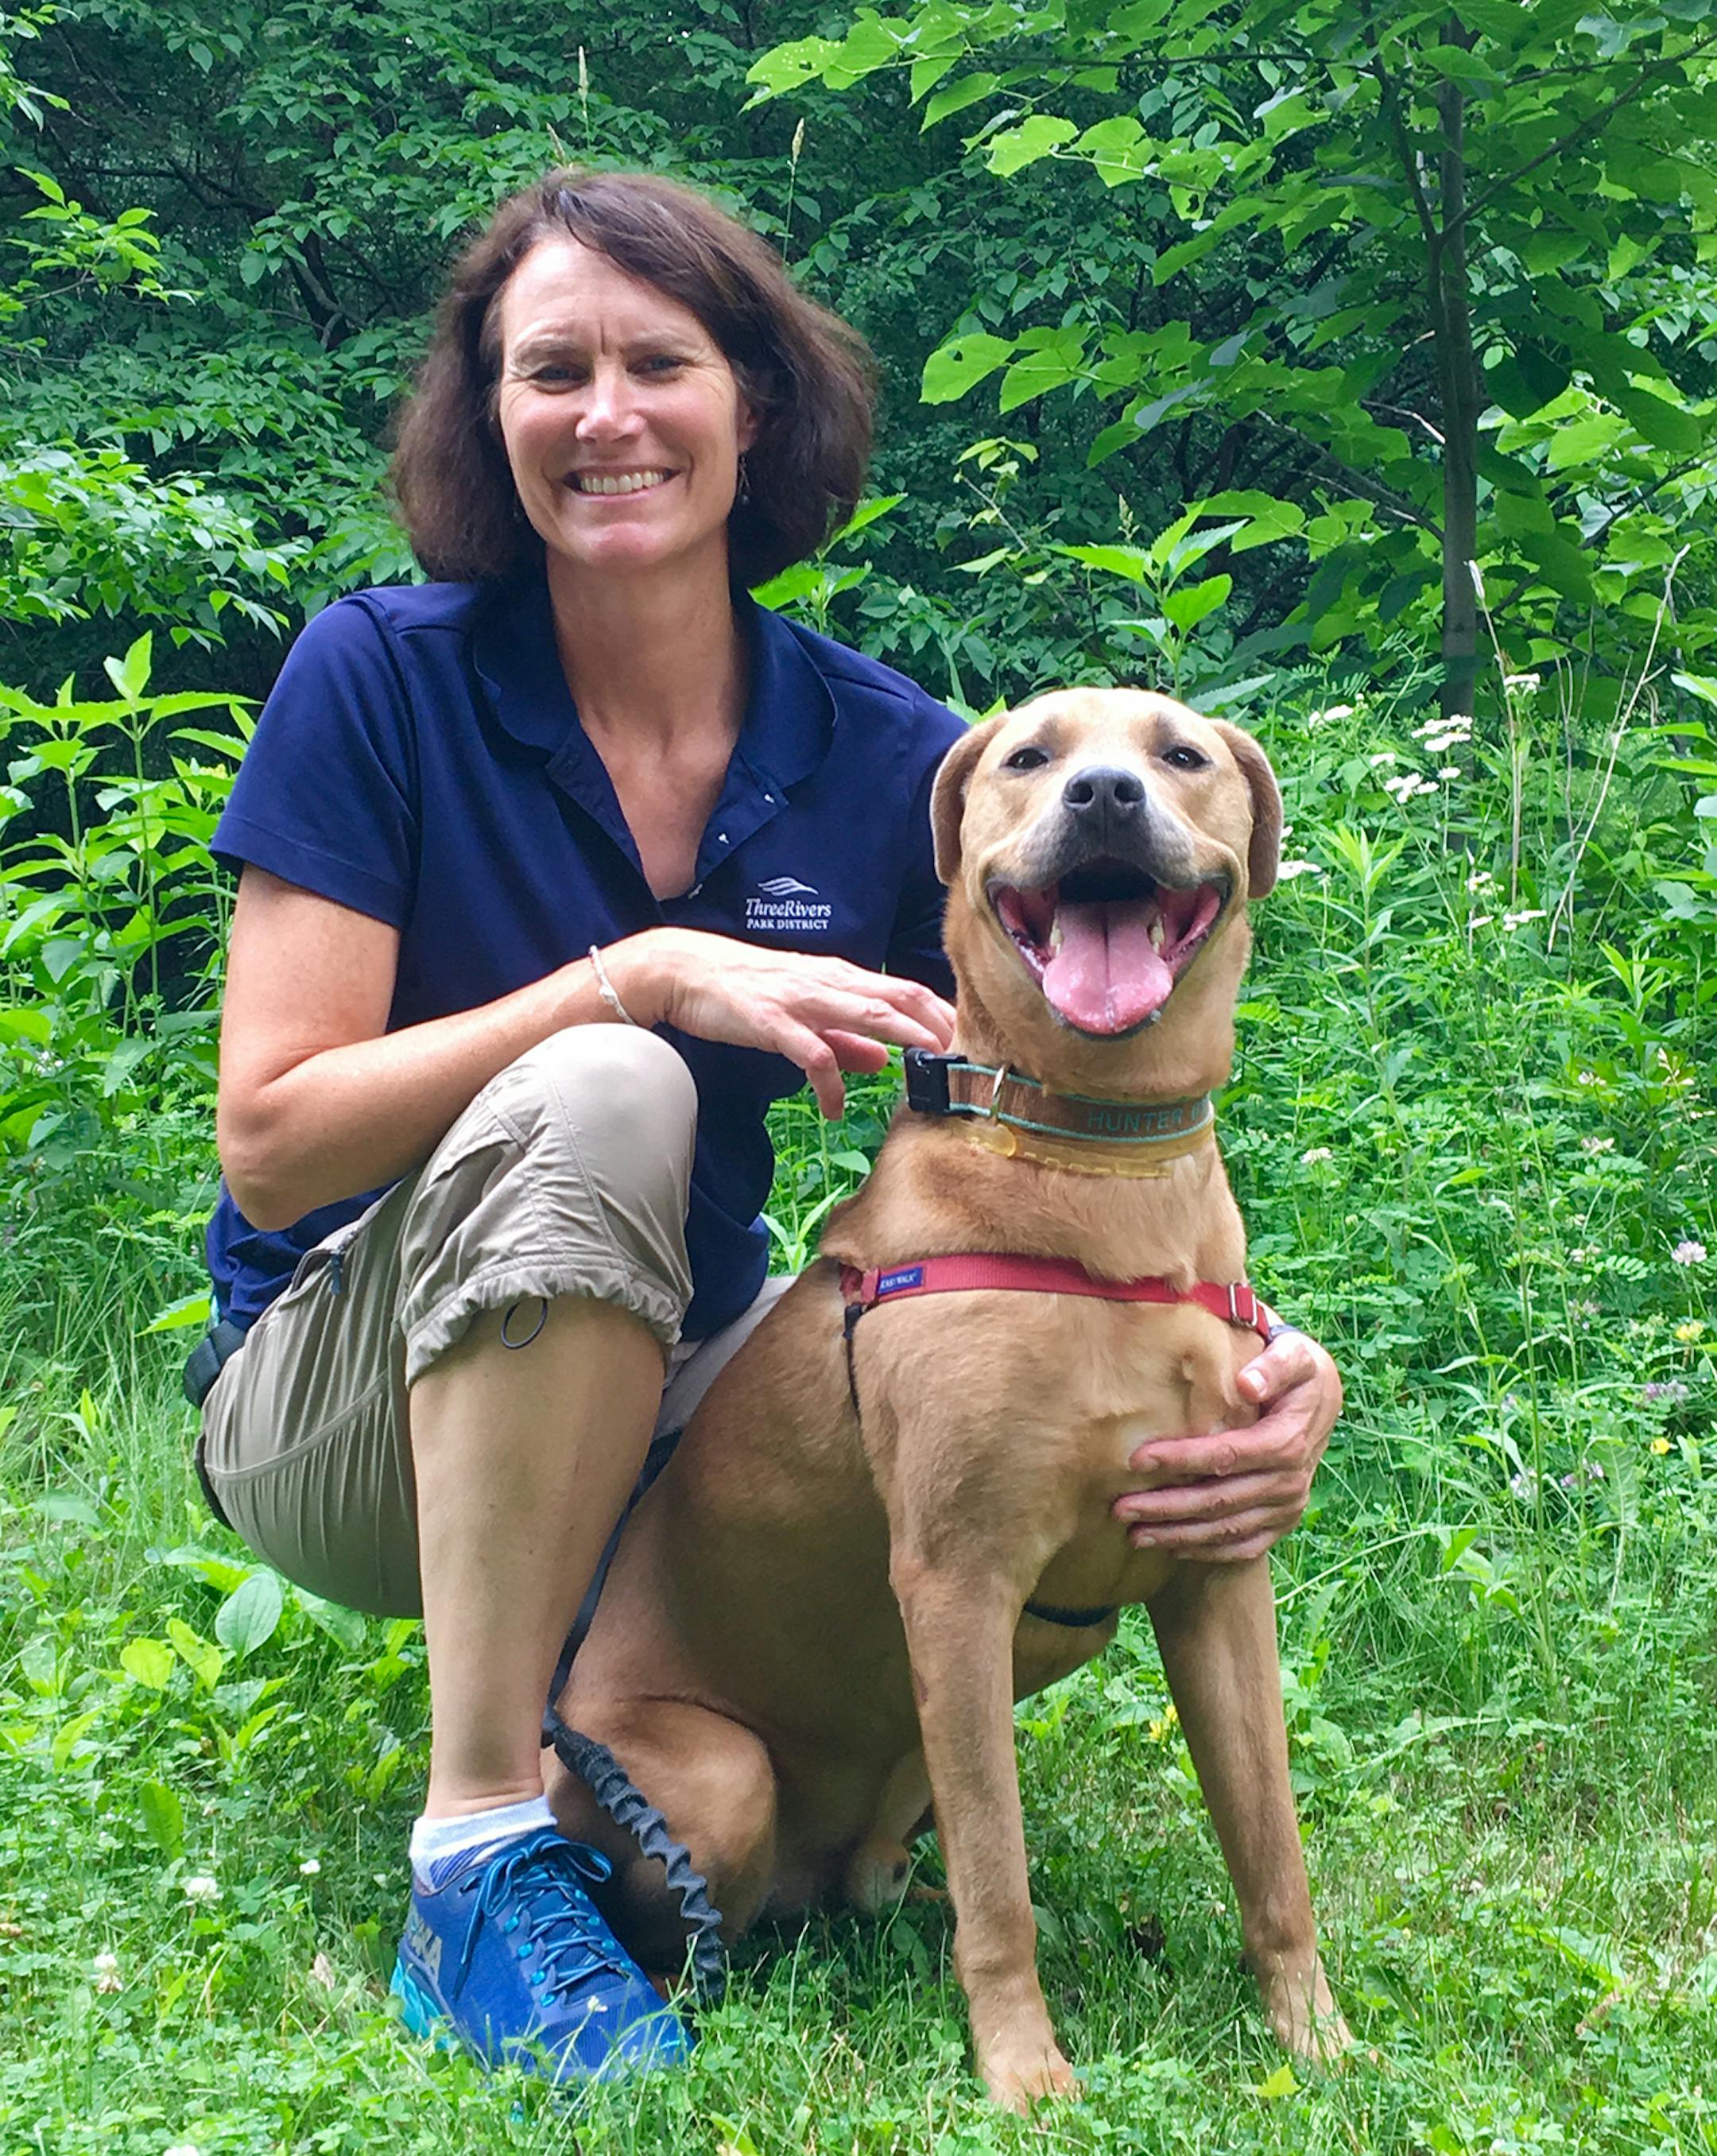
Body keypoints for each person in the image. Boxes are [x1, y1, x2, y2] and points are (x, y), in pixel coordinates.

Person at [186, 168, 1343, 2085]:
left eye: (663, 362)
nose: (609, 416)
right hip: (342, 1388)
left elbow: (1039, 1103)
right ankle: (481, 1851)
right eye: (551, 371)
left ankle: (687, 1749)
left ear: (757, 409)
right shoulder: (376, 677)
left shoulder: (891, 753)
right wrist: (624, 979)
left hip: (657, 1360)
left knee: (881, 1350)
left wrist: (1248, 1360)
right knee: (615, 1078)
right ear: (491, 420)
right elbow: (274, 1146)